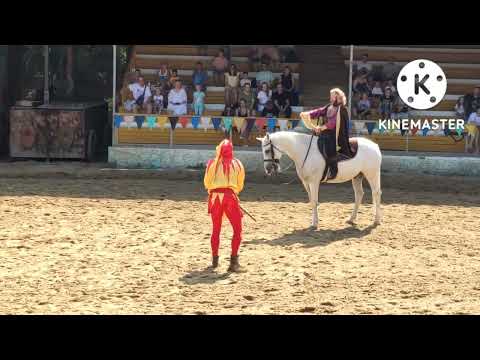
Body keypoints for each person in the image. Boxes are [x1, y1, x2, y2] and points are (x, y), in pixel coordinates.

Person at [203, 139, 246, 272]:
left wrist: (214, 191)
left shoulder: (211, 163)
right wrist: (232, 192)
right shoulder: (238, 164)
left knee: (216, 230)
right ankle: (234, 263)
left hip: (215, 198)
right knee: (237, 230)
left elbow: (207, 183)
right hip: (230, 198)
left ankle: (215, 261)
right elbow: (240, 185)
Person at [300, 88, 353, 181]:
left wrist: (321, 128)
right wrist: (308, 114)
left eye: (332, 96)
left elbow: (333, 123)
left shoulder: (342, 109)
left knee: (329, 149)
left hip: (335, 135)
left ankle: (333, 170)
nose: (330, 98)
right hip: (325, 133)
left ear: (337, 97)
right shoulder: (329, 106)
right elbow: (319, 111)